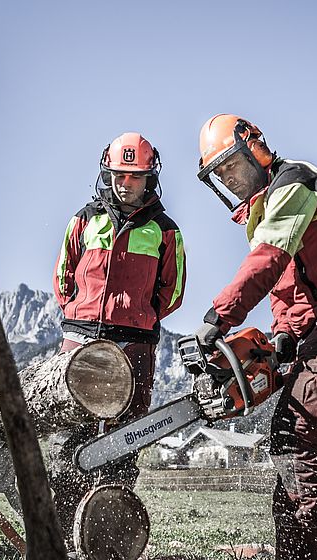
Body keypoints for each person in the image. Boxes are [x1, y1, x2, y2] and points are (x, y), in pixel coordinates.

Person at [193, 114, 317, 560]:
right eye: (220, 174)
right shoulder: (261, 213)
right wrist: (283, 334)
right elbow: (286, 285)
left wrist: (218, 317)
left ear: (254, 149)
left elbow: (268, 262)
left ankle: (298, 553)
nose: (229, 177)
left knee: (294, 432)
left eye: (232, 166)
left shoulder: (295, 181)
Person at [51, 132, 186, 541]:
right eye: (118, 175)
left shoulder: (164, 230)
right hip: (82, 338)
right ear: (107, 173)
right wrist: (82, 315)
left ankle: (107, 535)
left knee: (122, 442)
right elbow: (63, 277)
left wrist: (139, 317)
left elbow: (172, 291)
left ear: (149, 177)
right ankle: (59, 530)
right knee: (69, 440)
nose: (124, 183)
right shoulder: (84, 220)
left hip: (135, 341)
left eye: (134, 176)